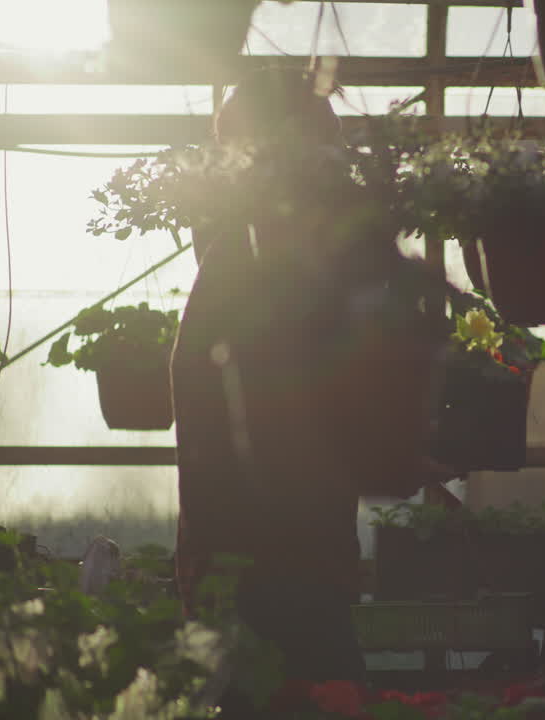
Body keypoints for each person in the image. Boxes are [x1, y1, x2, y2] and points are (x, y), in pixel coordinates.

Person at [170, 68, 454, 691]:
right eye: (322, 148)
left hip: (266, 557)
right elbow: (287, 408)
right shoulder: (258, 265)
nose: (337, 164)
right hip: (266, 562)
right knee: (306, 689)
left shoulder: (248, 259)